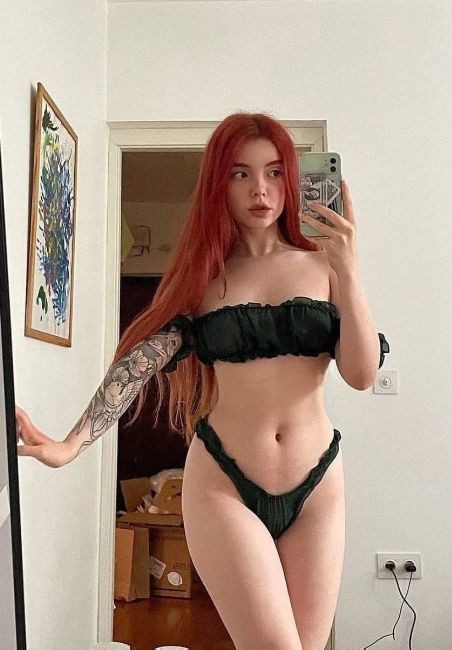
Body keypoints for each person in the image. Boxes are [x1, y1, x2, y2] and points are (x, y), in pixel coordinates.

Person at [16, 112, 390, 650]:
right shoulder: (203, 278)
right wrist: (70, 444)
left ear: (292, 177)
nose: (259, 190)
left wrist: (349, 269)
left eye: (274, 172)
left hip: (317, 489)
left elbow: (361, 373)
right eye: (240, 174)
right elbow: (139, 363)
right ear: (219, 184)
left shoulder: (326, 268)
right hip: (224, 484)